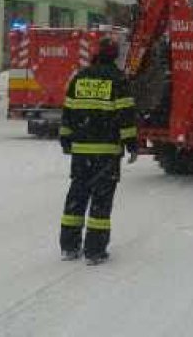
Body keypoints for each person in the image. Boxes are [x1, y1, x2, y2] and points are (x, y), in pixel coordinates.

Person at [58, 37, 138, 265]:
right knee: (101, 201)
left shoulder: (80, 78)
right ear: (114, 56)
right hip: (107, 152)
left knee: (77, 196)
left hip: (81, 152)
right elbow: (125, 116)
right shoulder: (118, 80)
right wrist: (132, 144)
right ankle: (94, 251)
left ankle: (69, 246)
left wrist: (66, 138)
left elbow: (69, 111)